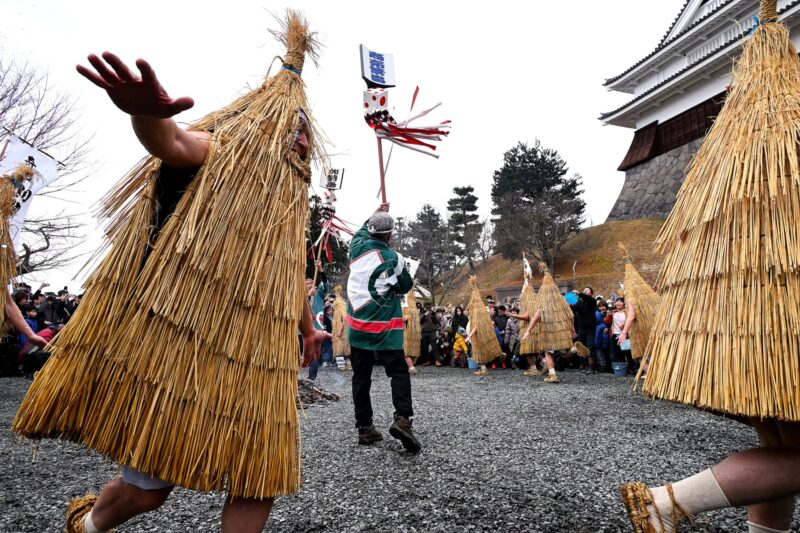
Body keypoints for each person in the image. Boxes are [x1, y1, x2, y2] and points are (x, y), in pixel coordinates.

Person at [12, 13, 330, 533]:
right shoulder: (223, 153)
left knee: (259, 478)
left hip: (258, 359)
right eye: (292, 131)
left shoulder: (290, 205)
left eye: (305, 134)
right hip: (191, 349)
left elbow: (289, 269)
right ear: (263, 131)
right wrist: (146, 117)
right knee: (146, 492)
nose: (299, 141)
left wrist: (307, 325)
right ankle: (88, 525)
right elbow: (174, 144)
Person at [346, 203, 420, 453]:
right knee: (398, 373)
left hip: (357, 327)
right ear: (391, 235)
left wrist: (375, 212)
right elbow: (404, 286)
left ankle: (365, 428)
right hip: (385, 328)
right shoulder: (392, 258)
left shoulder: (356, 248)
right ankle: (402, 420)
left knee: (361, 377)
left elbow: (360, 233)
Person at [573, 288, 598, 372]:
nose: (585, 291)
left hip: (590, 328)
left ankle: (591, 366)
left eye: (587, 290)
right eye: (584, 290)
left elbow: (587, 298)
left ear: (591, 293)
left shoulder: (592, 301)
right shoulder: (580, 302)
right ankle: (584, 364)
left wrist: (578, 293)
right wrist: (569, 303)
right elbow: (574, 308)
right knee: (581, 346)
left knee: (590, 346)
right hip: (581, 328)